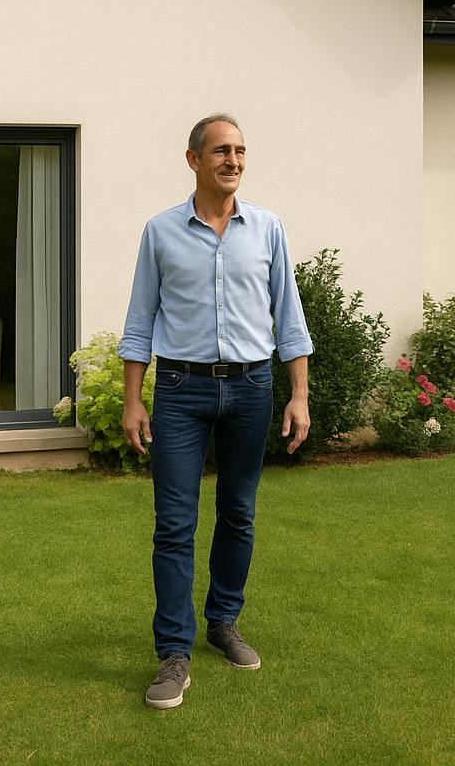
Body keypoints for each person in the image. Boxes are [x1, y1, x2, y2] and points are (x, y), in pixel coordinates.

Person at [118, 113, 313, 711]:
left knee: (239, 512)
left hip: (252, 390)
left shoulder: (269, 229)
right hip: (181, 390)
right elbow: (140, 321)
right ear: (193, 159)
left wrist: (299, 394)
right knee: (174, 524)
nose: (233, 160)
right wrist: (133, 400)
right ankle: (173, 654)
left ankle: (223, 622)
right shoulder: (160, 231)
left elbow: (290, 318)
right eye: (222, 151)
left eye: (241, 151)